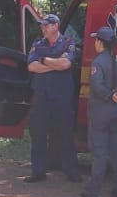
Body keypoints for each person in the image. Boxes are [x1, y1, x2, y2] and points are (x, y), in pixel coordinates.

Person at [75, 26, 117, 197]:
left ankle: (92, 193)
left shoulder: (98, 63)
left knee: (99, 152)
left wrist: (108, 95)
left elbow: (97, 87)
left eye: (96, 40)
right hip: (116, 111)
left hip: (100, 111)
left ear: (100, 42)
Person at [25, 12, 82, 183]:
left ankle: (71, 171)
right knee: (38, 133)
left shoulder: (68, 43)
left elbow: (66, 64)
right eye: (42, 25)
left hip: (61, 97)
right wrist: (54, 65)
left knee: (65, 134)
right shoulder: (38, 44)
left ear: (55, 26)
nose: (43, 28)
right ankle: (38, 171)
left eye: (46, 25)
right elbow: (31, 67)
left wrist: (44, 61)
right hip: (42, 96)